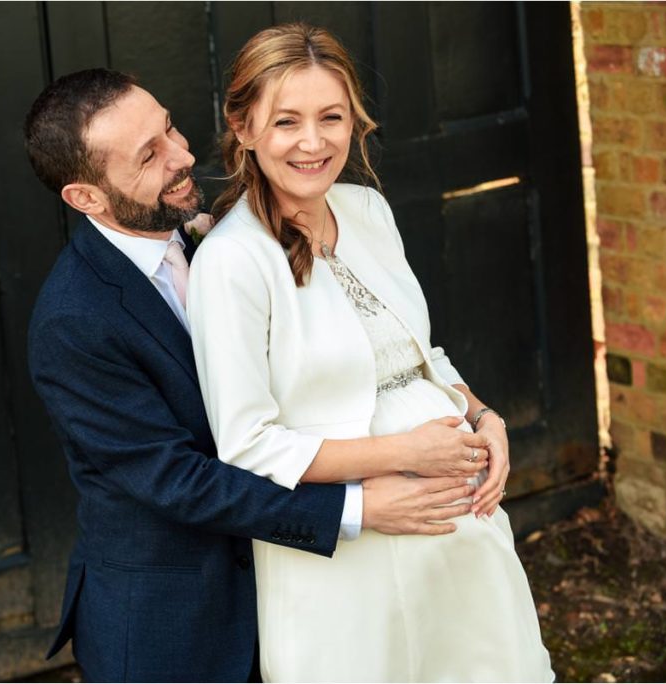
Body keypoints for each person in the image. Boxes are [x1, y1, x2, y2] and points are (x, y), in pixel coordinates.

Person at [23, 68, 488, 682]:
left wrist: (476, 414)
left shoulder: (213, 231)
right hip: (176, 621)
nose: (183, 156)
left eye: (169, 130)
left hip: (295, 591)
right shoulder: (73, 320)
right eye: (149, 156)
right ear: (86, 197)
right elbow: (178, 480)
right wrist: (355, 508)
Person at [188, 23, 554, 682]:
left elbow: (419, 352)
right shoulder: (232, 261)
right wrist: (402, 456)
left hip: (455, 528)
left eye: (331, 117)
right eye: (286, 121)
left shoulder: (366, 210)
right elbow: (247, 445)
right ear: (242, 129)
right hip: (349, 556)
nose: (313, 141)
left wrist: (482, 417)